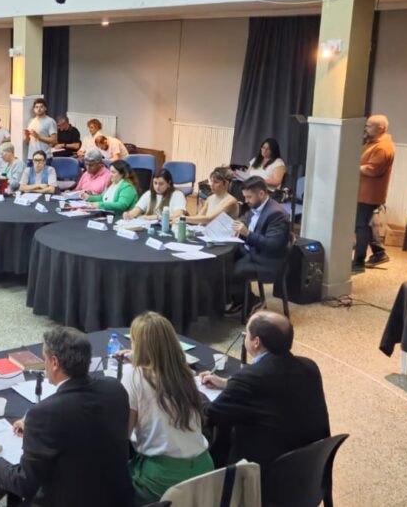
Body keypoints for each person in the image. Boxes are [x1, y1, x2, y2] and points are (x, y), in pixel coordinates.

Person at [0, 326, 133, 506]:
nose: (44, 364)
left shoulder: (44, 414)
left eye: (44, 358)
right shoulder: (114, 388)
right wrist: (39, 430)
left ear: (54, 362)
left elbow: (23, 483)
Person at [199, 311, 330, 472]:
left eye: (247, 333)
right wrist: (228, 384)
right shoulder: (309, 367)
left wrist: (195, 393)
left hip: (263, 474)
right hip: (309, 470)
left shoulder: (250, 378)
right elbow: (275, 390)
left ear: (256, 342)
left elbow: (211, 415)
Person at [117, 312, 214, 504]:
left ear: (138, 345)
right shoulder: (184, 372)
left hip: (163, 479)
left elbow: (124, 432)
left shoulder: (133, 375)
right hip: (205, 471)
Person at [228, 177, 291, 312]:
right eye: (245, 197)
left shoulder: (277, 214)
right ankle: (236, 299)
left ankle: (251, 301)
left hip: (266, 260)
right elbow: (248, 222)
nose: (246, 201)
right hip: (252, 250)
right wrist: (239, 227)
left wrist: (247, 234)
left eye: (249, 197)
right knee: (220, 261)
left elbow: (273, 245)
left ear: (261, 194)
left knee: (232, 271)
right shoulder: (256, 205)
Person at [355, 114, 396, 272]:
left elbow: (373, 170)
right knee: (365, 223)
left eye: (369, 126)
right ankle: (379, 253)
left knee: (361, 225)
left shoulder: (382, 148)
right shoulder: (373, 143)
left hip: (369, 194)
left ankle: (358, 261)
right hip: (363, 192)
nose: (366, 128)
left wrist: (352, 166)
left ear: (381, 129)